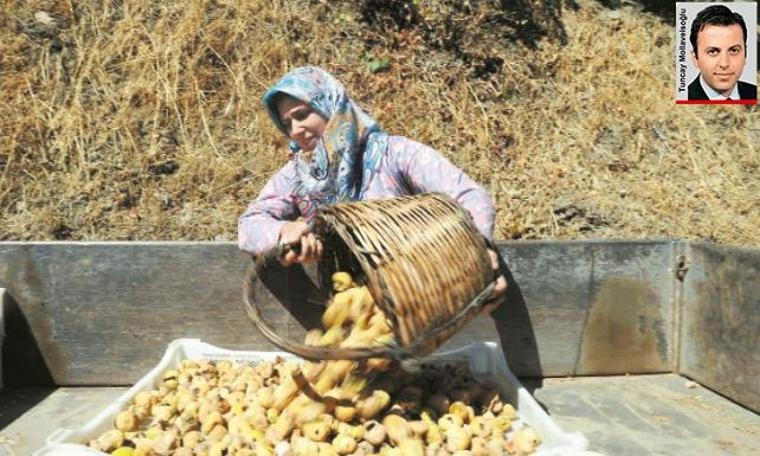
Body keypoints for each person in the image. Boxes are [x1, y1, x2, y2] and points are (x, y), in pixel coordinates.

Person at [238, 66, 507, 306]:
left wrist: (481, 250)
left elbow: (468, 195)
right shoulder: (296, 175)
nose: (295, 129)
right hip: (353, 309)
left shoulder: (394, 154)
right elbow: (250, 224)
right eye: (287, 123)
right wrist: (285, 230)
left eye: (303, 114)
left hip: (419, 293)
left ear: (330, 105)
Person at [688, 4, 757, 101]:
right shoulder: (680, 101)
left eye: (734, 51)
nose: (724, 64)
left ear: (745, 54)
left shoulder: (754, 93)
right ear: (695, 58)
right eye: (713, 52)